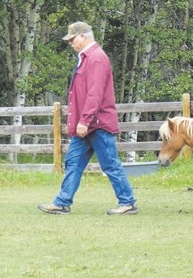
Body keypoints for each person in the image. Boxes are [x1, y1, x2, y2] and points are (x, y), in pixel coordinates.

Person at [38, 21, 138, 215]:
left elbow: (95, 94)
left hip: (96, 124)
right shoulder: (86, 58)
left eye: (72, 39)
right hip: (86, 125)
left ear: (83, 36)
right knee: (73, 162)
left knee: (110, 164)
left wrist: (84, 120)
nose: (70, 43)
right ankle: (62, 202)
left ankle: (128, 202)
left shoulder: (96, 58)